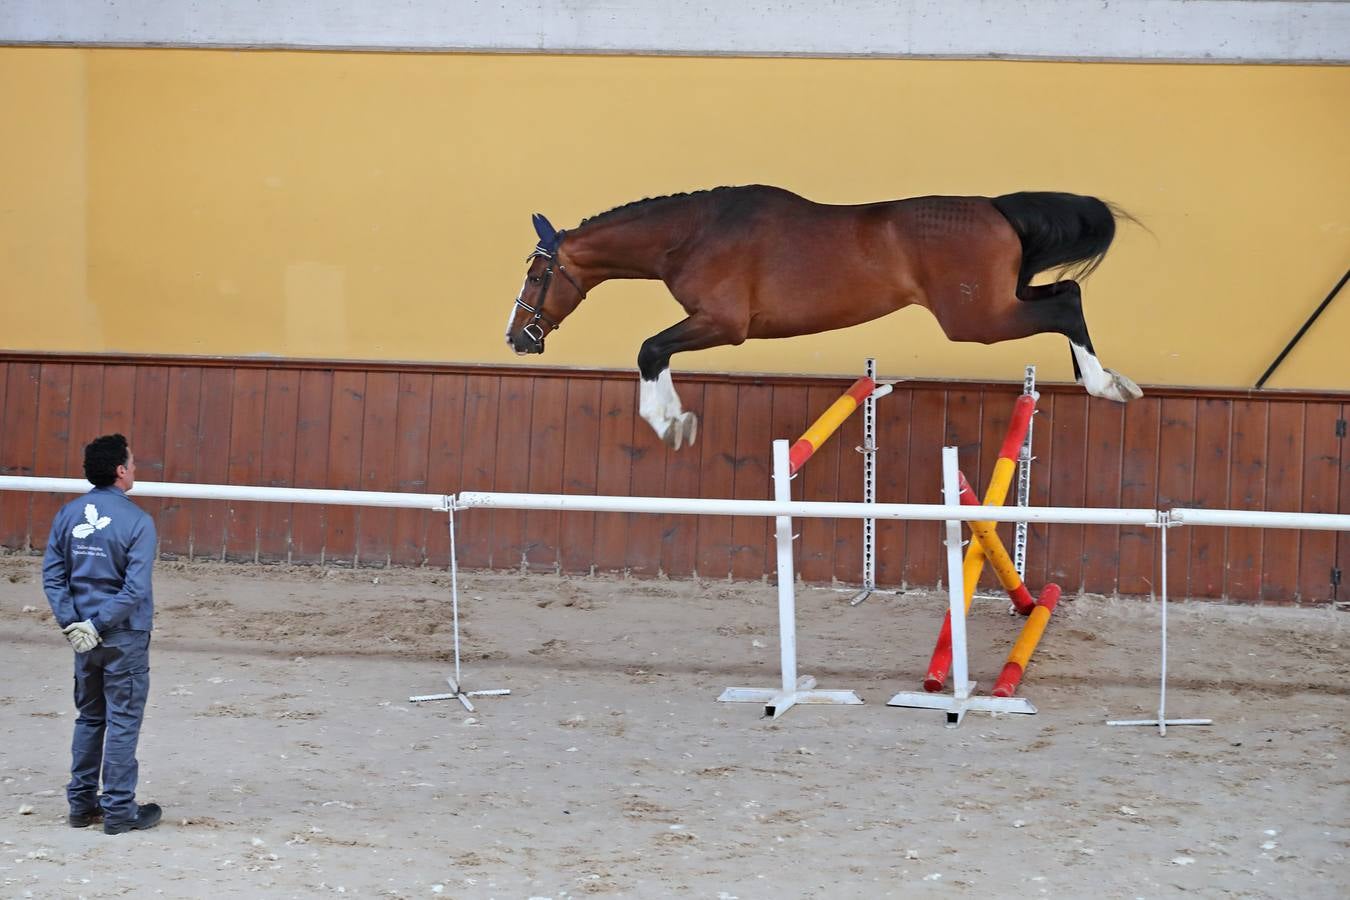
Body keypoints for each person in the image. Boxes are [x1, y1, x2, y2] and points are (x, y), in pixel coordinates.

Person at [42, 433, 162, 835]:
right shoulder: (139, 522)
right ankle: (118, 810)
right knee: (123, 721)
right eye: (132, 462)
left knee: (90, 718)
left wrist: (73, 624)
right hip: (121, 635)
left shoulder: (69, 513)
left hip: (82, 636)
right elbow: (134, 589)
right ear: (121, 470)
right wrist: (96, 625)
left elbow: (53, 575)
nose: (135, 468)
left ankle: (81, 805)